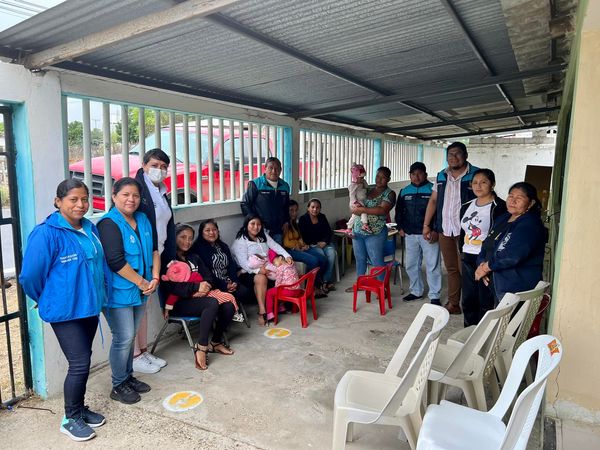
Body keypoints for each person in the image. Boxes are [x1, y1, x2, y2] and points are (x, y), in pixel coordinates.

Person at [19, 180, 109, 442]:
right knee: (79, 363)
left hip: (89, 307)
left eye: (85, 199)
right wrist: (45, 297)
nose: (80, 204)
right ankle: (70, 418)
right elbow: (30, 277)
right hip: (65, 310)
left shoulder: (89, 228)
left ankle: (79, 409)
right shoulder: (46, 234)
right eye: (73, 199)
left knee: (84, 359)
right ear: (58, 202)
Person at [97, 177, 160, 405]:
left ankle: (127, 377)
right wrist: (143, 283)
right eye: (125, 195)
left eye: (135, 195)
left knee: (130, 336)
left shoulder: (142, 219)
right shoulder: (108, 223)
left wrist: (155, 277)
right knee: (123, 337)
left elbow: (154, 251)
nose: (131, 199)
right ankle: (118, 385)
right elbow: (115, 261)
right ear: (114, 196)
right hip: (118, 292)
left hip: (143, 289)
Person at [161, 224, 235, 370]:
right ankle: (201, 347)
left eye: (190, 238)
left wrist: (205, 286)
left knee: (228, 304)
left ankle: (215, 342)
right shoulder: (168, 259)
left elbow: (208, 276)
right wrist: (195, 287)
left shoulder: (194, 257)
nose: (187, 241)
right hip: (178, 303)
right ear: (174, 238)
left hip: (200, 298)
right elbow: (170, 287)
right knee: (212, 303)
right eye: (183, 237)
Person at [422, 142, 479, 314]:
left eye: (457, 154)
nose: (453, 157)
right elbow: (433, 201)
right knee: (452, 269)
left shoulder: (476, 174)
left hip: (468, 232)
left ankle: (472, 304)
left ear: (466, 155)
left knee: (468, 269)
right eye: (450, 154)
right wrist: (426, 225)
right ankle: (454, 304)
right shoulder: (441, 175)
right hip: (445, 229)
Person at [132, 148, 174, 374]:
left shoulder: (161, 191)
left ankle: (143, 351)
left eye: (163, 167)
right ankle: (134, 356)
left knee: (144, 307)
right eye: (155, 165)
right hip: (139, 257)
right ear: (144, 165)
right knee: (135, 307)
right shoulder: (136, 189)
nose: (159, 170)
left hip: (155, 256)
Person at [475, 182, 546, 302]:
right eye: (511, 196)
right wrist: (481, 264)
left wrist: (486, 268)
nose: (513, 201)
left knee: (509, 314)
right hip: (493, 281)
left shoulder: (530, 224)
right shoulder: (503, 218)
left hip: (515, 287)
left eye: (519, 198)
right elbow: (487, 245)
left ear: (531, 203)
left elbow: (513, 255)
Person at [459, 169, 507, 326]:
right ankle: (469, 331)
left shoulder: (500, 207)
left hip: (486, 259)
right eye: (475, 182)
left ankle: (483, 335)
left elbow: (501, 237)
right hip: (467, 256)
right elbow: (463, 232)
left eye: (483, 182)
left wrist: (488, 262)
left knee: (485, 300)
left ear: (492, 184)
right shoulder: (467, 206)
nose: (478, 186)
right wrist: (462, 252)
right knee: (468, 299)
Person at [231, 214, 292, 326]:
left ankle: (280, 303)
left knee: (285, 270)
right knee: (261, 278)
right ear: (246, 225)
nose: (256, 227)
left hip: (267, 266)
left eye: (258, 224)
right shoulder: (241, 241)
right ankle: (262, 311)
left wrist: (287, 256)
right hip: (247, 271)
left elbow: (275, 246)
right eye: (252, 224)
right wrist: (258, 271)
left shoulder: (263, 235)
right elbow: (243, 263)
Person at [394, 162, 442, 305]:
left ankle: (435, 295)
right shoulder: (404, 191)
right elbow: (399, 211)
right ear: (410, 175)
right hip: (410, 234)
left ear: (425, 175)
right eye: (413, 174)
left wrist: (435, 230)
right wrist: (400, 227)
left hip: (428, 234)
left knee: (432, 264)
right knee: (411, 264)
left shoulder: (433, 190)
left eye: (419, 173)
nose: (416, 176)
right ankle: (416, 291)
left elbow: (439, 212)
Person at [191, 219, 250, 323]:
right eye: (207, 230)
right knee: (228, 302)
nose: (211, 233)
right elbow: (206, 273)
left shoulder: (223, 246)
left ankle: (229, 312)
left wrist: (234, 281)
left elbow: (231, 266)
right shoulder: (198, 249)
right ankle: (225, 314)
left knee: (243, 292)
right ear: (201, 233)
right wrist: (224, 285)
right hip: (213, 285)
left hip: (228, 281)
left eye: (214, 229)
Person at [347, 167, 396, 291]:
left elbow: (382, 210)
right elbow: (355, 202)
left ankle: (382, 288)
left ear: (388, 179)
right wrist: (354, 208)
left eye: (383, 177)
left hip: (375, 232)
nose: (379, 179)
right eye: (377, 176)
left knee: (376, 260)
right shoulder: (367, 189)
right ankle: (360, 284)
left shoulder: (389, 193)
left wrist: (362, 210)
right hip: (358, 230)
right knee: (360, 259)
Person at [283, 199, 328, 297]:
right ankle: (312, 288)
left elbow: (299, 237)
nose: (294, 213)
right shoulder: (285, 224)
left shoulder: (294, 222)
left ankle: (316, 284)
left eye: (296, 210)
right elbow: (286, 243)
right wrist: (297, 247)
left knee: (323, 259)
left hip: (299, 248)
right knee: (313, 261)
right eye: (291, 210)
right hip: (290, 251)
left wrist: (303, 245)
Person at [240, 157, 290, 244]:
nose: (274, 171)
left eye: (277, 168)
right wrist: (254, 223)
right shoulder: (255, 184)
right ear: (265, 168)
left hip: (278, 229)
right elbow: (245, 203)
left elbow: (286, 206)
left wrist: (286, 221)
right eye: (270, 168)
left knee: (277, 251)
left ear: (281, 170)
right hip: (261, 230)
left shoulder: (285, 186)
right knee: (262, 251)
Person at [298, 198, 338, 292]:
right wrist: (316, 243)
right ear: (308, 208)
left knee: (331, 253)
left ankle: (325, 281)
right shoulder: (303, 219)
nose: (315, 209)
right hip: (311, 245)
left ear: (320, 208)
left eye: (317, 207)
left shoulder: (322, 217)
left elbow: (328, 232)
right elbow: (303, 236)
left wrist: (324, 242)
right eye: (312, 207)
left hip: (324, 243)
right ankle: (318, 282)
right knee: (321, 256)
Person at [346, 163, 370, 232]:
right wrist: (355, 203)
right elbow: (352, 195)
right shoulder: (353, 185)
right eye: (361, 178)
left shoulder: (363, 182)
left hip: (361, 201)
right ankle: (365, 224)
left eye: (363, 177)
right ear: (355, 177)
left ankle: (349, 227)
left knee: (354, 216)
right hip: (355, 202)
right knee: (363, 211)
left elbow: (367, 188)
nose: (362, 179)